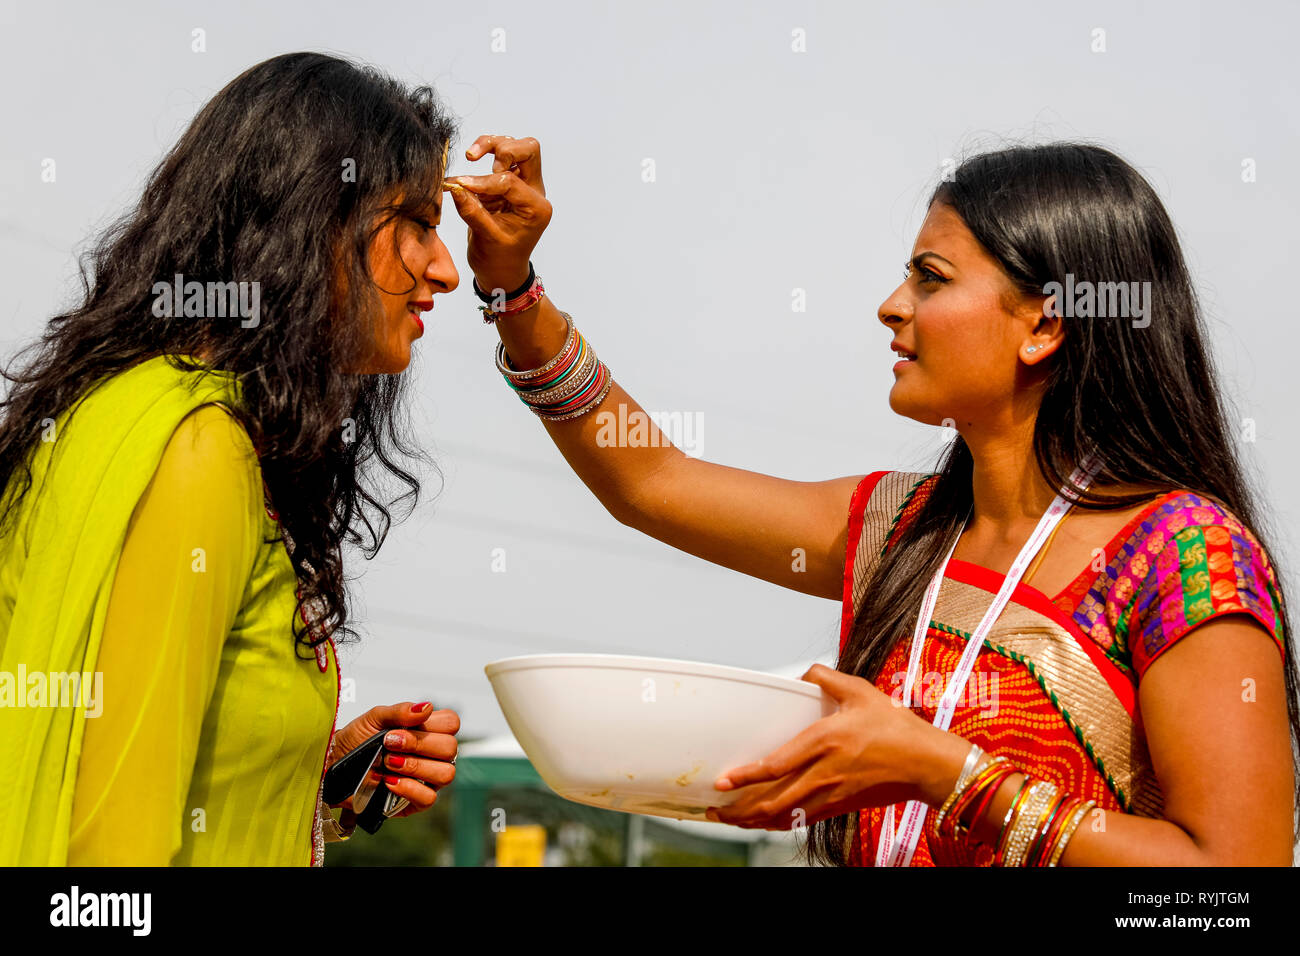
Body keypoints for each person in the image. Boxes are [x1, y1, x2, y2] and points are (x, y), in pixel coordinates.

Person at [443, 136, 1297, 865]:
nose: (892, 307)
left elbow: (1226, 890)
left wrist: (952, 777)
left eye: (931, 278)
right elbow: (648, 481)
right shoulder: (903, 530)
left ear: (1044, 325)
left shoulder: (1181, 553)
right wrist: (514, 289)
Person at [0, 52, 461, 866]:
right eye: (418, 223)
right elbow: (112, 853)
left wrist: (320, 786)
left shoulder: (205, 428)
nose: (446, 270)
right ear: (315, 218)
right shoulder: (195, 447)